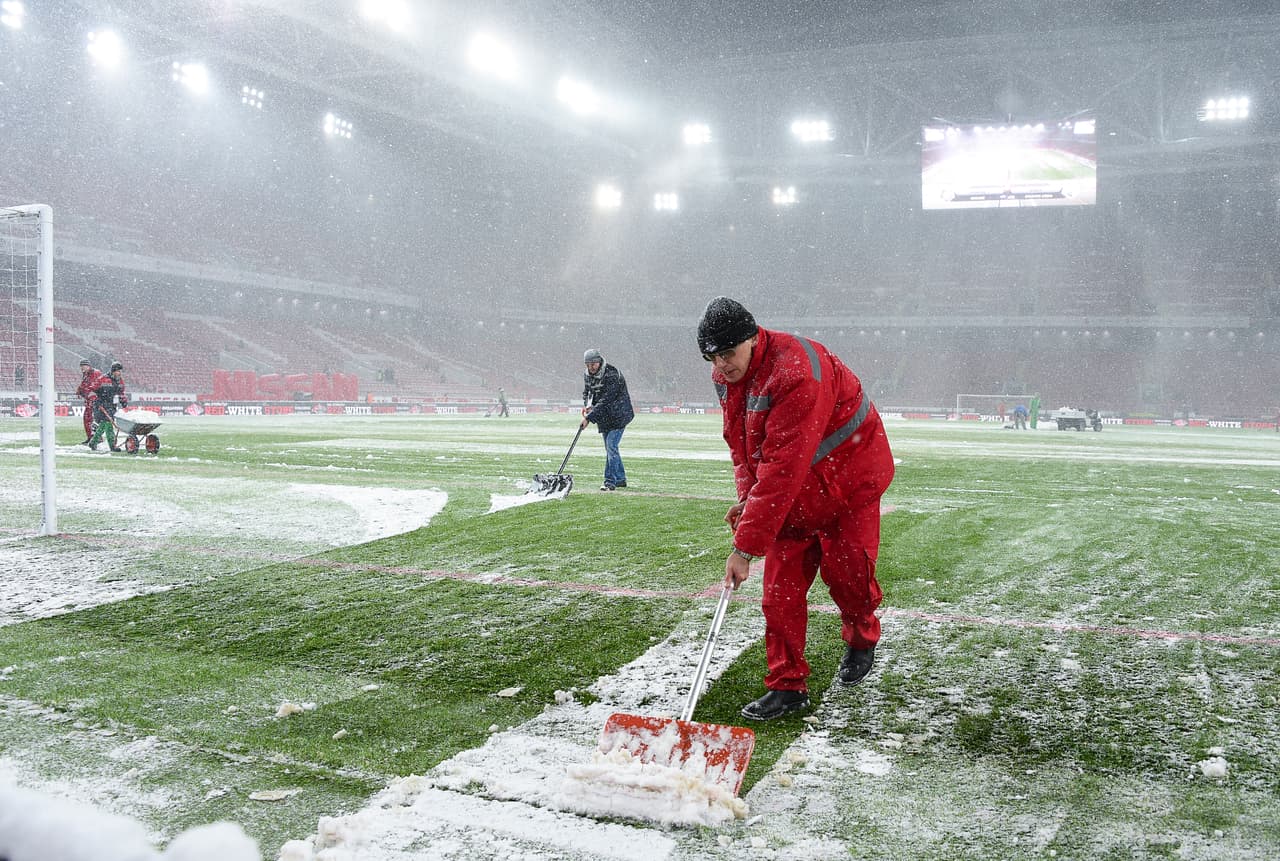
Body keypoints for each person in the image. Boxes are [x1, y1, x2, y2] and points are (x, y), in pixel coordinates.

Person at [697, 297, 895, 721]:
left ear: (753, 338)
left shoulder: (796, 370)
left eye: (728, 353)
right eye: (712, 357)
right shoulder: (726, 377)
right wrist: (749, 500)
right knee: (780, 594)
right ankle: (787, 686)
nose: (720, 364)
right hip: (796, 494)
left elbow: (784, 468)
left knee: (849, 577)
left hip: (847, 484)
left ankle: (861, 635)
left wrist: (745, 547)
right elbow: (745, 449)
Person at [581, 348, 634, 491]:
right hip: (604, 416)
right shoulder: (587, 375)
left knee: (611, 446)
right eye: (588, 364)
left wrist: (588, 418)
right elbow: (587, 392)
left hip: (619, 414)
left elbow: (606, 400)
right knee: (611, 448)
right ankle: (621, 479)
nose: (591, 367)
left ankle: (610, 482)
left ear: (599, 362)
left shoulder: (611, 374)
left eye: (593, 364)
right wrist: (588, 405)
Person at [86, 362, 128, 452]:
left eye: (120, 371)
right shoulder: (102, 379)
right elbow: (91, 390)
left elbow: (121, 393)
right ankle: (112, 446)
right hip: (100, 404)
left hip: (111, 405)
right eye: (118, 371)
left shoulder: (120, 381)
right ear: (113, 371)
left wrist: (123, 401)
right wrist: (94, 399)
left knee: (104, 424)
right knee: (108, 423)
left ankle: (93, 442)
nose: (119, 373)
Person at [75, 359, 108, 444]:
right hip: (89, 400)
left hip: (94, 401)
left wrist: (91, 393)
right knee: (87, 419)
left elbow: (97, 385)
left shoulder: (95, 373)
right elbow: (84, 385)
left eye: (84, 366)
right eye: (81, 366)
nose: (82, 367)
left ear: (89, 366)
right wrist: (79, 390)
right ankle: (91, 437)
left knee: (93, 419)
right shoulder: (86, 375)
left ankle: (97, 438)